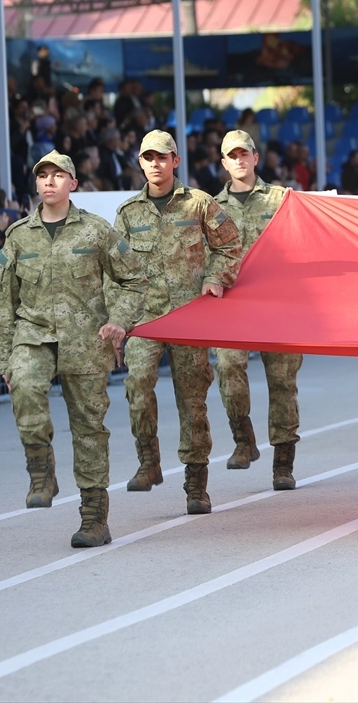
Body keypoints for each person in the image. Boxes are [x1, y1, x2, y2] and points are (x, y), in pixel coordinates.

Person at [0, 150, 148, 548]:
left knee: (89, 429)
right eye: (42, 175)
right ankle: (41, 470)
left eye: (58, 175)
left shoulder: (95, 231)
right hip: (34, 335)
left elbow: (135, 278)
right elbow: (5, 303)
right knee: (25, 386)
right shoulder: (18, 235)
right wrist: (4, 359)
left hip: (85, 343)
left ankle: (94, 519)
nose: (49, 181)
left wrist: (119, 320)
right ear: (36, 184)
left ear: (73, 184)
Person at [114, 130, 243, 514]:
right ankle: (148, 460)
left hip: (188, 317)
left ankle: (195, 483)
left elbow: (229, 245)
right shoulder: (128, 213)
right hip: (146, 319)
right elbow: (115, 269)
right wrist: (118, 319)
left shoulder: (199, 203)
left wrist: (215, 277)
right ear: (140, 163)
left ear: (175, 161)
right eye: (148, 158)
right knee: (137, 383)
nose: (155, 164)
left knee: (192, 401)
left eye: (162, 157)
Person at [212, 130, 302, 490]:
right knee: (227, 366)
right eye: (232, 155)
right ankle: (243, 438)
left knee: (282, 383)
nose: (239, 160)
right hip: (234, 305)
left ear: (255, 157)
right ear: (223, 162)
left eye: (244, 154)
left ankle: (283, 463)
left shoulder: (282, 198)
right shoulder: (211, 207)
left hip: (277, 305)